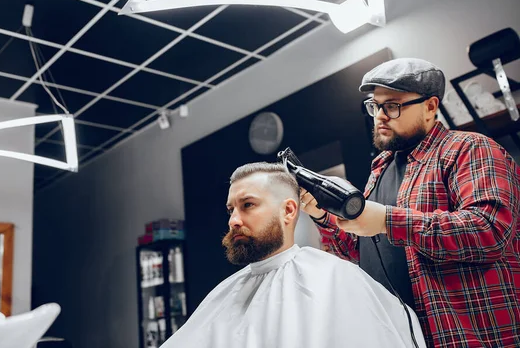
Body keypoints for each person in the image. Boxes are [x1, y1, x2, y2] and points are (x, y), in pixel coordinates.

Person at [301, 58, 520, 348]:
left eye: (392, 105)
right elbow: (362, 251)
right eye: (374, 106)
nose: (380, 116)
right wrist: (321, 215)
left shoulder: (468, 148)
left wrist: (385, 220)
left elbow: (490, 231)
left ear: (430, 107)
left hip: (472, 336)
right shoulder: (380, 170)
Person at [161, 162, 426, 348]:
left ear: (289, 211)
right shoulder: (223, 293)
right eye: (231, 209)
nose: (234, 220)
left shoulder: (334, 279)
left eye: (248, 205)